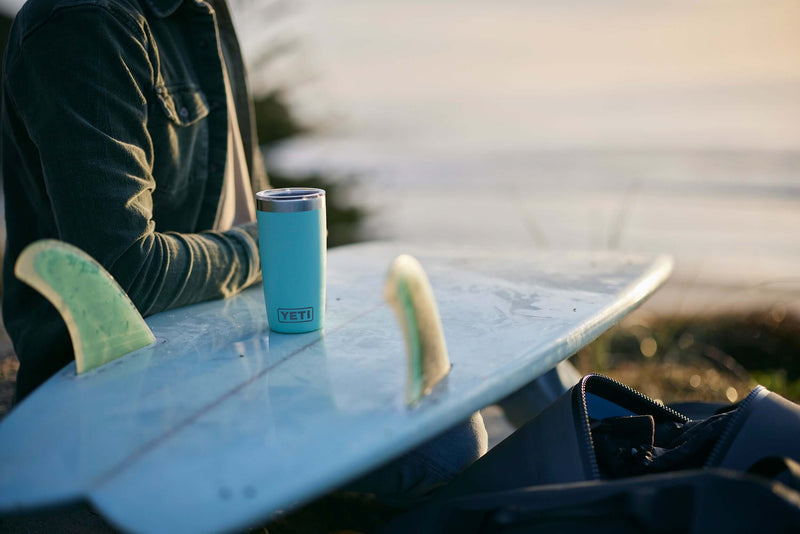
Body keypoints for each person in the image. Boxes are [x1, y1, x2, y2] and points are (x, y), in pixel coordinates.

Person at [1, 0, 486, 506]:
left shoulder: (202, 10)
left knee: (476, 384)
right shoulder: (84, 21)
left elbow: (244, 193)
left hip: (238, 345)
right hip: (130, 392)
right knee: (447, 444)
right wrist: (269, 246)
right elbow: (126, 272)